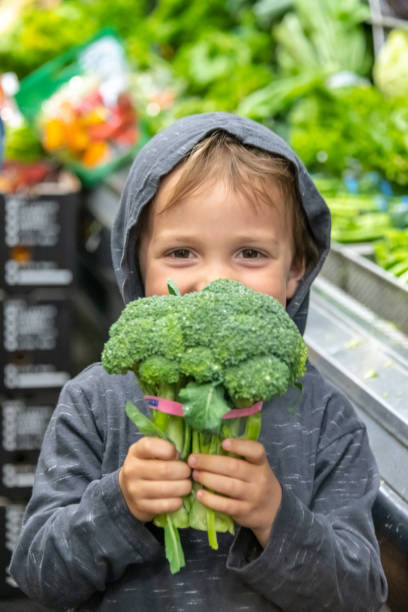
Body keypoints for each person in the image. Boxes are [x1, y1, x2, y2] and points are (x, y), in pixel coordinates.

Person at [10, 113, 387, 611]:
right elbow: (38, 573)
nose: (215, 281)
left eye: (250, 253)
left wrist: (277, 516)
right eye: (182, 252)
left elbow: (361, 596)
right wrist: (118, 505)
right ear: (134, 259)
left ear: (296, 269)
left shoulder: (326, 418)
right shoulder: (94, 401)